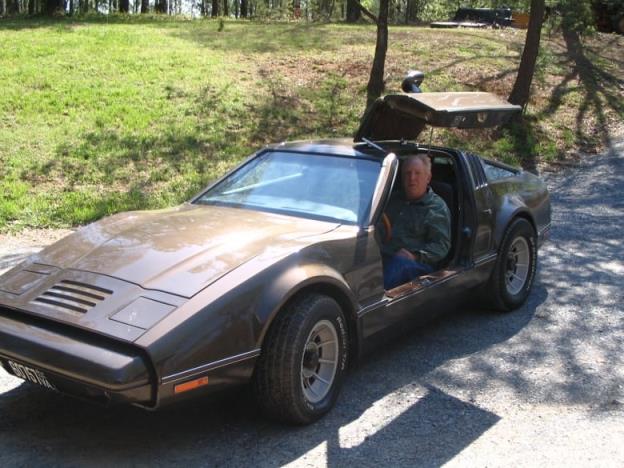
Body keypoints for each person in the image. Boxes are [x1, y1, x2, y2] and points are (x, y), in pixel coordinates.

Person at [381, 154, 451, 290]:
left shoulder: (436, 207)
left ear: (428, 178)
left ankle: (372, 306)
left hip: (417, 264)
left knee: (400, 263)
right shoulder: (392, 200)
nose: (412, 178)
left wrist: (415, 255)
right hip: (386, 254)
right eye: (407, 173)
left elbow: (441, 246)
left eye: (417, 173)